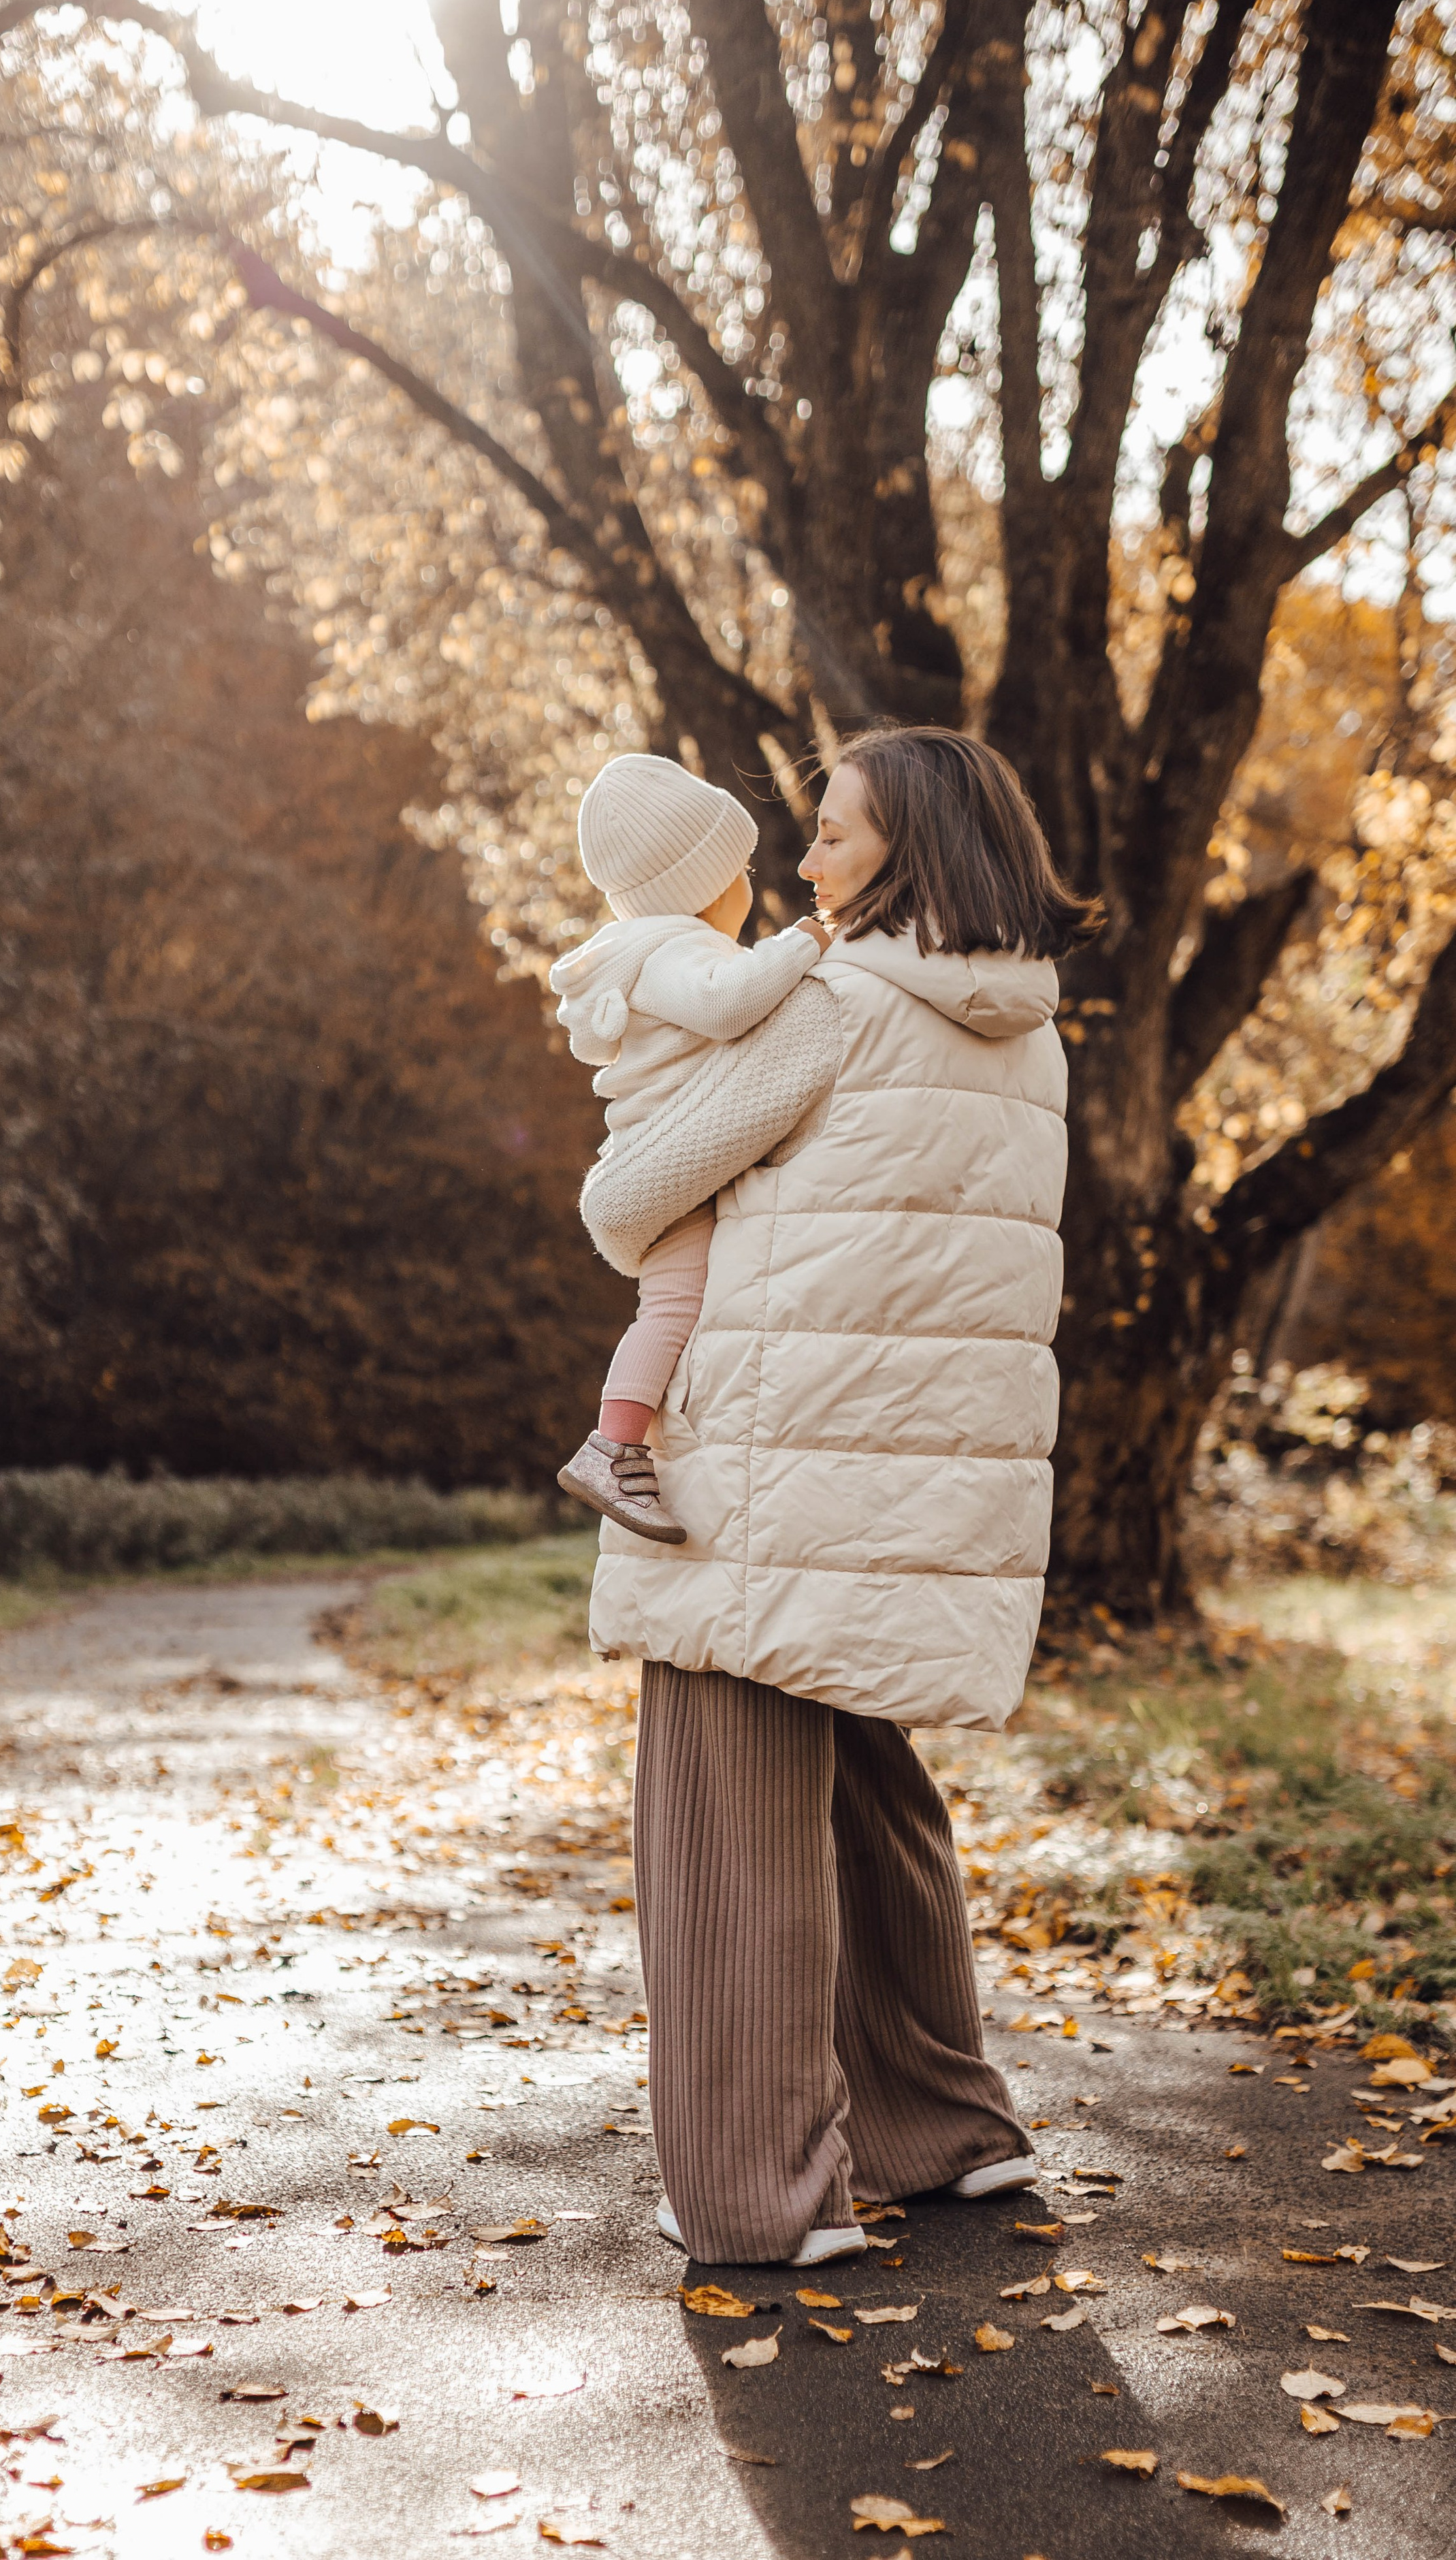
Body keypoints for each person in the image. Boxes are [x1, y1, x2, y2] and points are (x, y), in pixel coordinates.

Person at [585, 724, 1103, 2269]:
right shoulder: (1020, 1025)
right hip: (898, 1472)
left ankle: (751, 2187)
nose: (800, 861)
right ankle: (939, 2130)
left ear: (904, 852)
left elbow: (623, 1202)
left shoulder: (826, 1006)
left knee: (722, 1818)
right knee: (867, 1781)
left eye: (830, 831)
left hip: (757, 1462)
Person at [549, 754, 832, 1544]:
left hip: (671, 1156)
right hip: (668, 1165)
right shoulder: (675, 951)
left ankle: (618, 1444)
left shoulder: (648, 948)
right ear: (706, 885)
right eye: (739, 868)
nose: (748, 880)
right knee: (673, 1308)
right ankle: (612, 1447)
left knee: (675, 1306)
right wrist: (805, 943)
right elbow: (728, 1004)